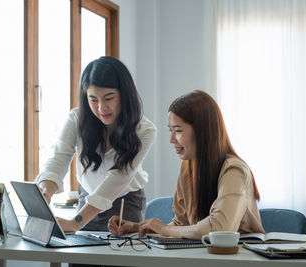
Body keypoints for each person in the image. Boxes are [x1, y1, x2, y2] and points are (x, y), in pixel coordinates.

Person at [108, 90, 265, 239]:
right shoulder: (189, 167)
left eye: (178, 131)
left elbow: (220, 228)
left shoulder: (234, 170)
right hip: (204, 257)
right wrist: (135, 227)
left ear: (202, 131)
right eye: (171, 131)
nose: (172, 140)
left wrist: (164, 229)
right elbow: (181, 225)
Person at [35, 56, 157, 232]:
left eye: (108, 98)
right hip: (87, 199)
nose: (101, 108)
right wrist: (45, 191)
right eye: (93, 99)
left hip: (125, 203)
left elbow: (118, 178)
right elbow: (58, 159)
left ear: (124, 95)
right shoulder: (77, 119)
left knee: (119, 257)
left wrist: (77, 222)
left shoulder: (144, 130)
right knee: (81, 255)